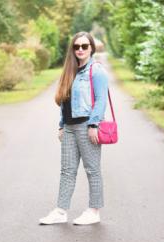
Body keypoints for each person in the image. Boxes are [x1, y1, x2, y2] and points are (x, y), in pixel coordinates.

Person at [39, 31, 108, 225]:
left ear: (91, 48)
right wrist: (61, 125)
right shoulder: (71, 70)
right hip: (69, 127)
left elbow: (101, 99)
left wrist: (94, 124)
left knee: (92, 169)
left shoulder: (97, 70)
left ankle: (94, 211)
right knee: (67, 171)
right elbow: (65, 101)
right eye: (77, 46)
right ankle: (61, 211)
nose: (80, 50)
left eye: (84, 46)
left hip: (87, 125)